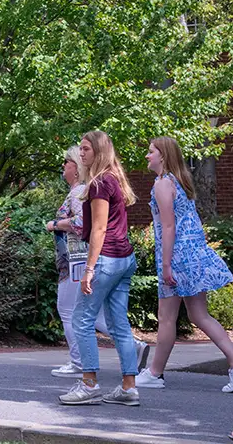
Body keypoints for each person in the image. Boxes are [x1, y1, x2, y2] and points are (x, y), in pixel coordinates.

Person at [136, 137, 233, 392]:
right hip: (192, 253)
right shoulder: (180, 182)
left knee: (166, 317)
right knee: (198, 315)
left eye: (151, 152)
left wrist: (166, 265)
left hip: (177, 258)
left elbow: (168, 226)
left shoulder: (161, 184)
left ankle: (155, 373)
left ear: (163, 156)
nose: (147, 156)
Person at [49, 146, 149, 378]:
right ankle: (129, 371)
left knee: (71, 313)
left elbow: (87, 224)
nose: (63, 166)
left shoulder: (86, 189)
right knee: (104, 316)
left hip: (80, 260)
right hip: (100, 258)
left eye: (66, 162)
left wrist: (55, 224)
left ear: (75, 166)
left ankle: (83, 369)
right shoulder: (95, 186)